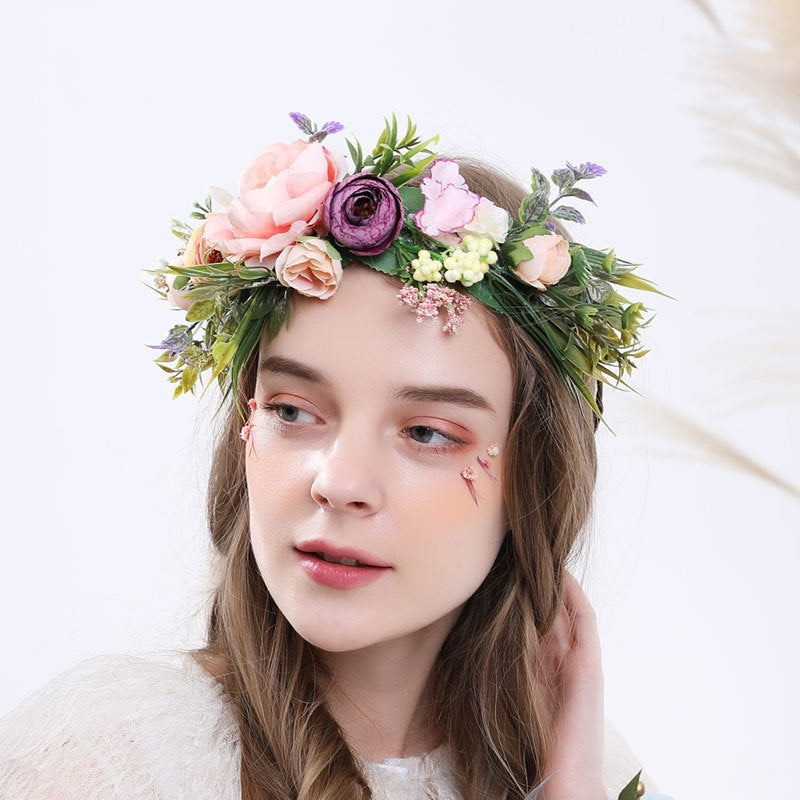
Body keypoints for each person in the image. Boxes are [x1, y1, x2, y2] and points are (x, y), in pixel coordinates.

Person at [0, 114, 672, 799]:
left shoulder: (579, 765)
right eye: (293, 412)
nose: (340, 483)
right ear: (245, 428)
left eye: (429, 433)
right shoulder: (114, 761)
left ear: (534, 478)